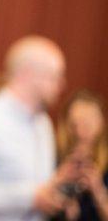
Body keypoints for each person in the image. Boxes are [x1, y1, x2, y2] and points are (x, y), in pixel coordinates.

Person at [0, 35, 79, 220]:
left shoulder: (44, 123)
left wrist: (56, 193)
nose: (61, 85)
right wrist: (30, 197)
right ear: (26, 74)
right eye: (54, 76)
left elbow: (40, 185)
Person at [54, 90, 108, 220]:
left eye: (89, 121)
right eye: (77, 122)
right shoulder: (55, 156)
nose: (83, 130)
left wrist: (98, 190)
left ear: (102, 123)